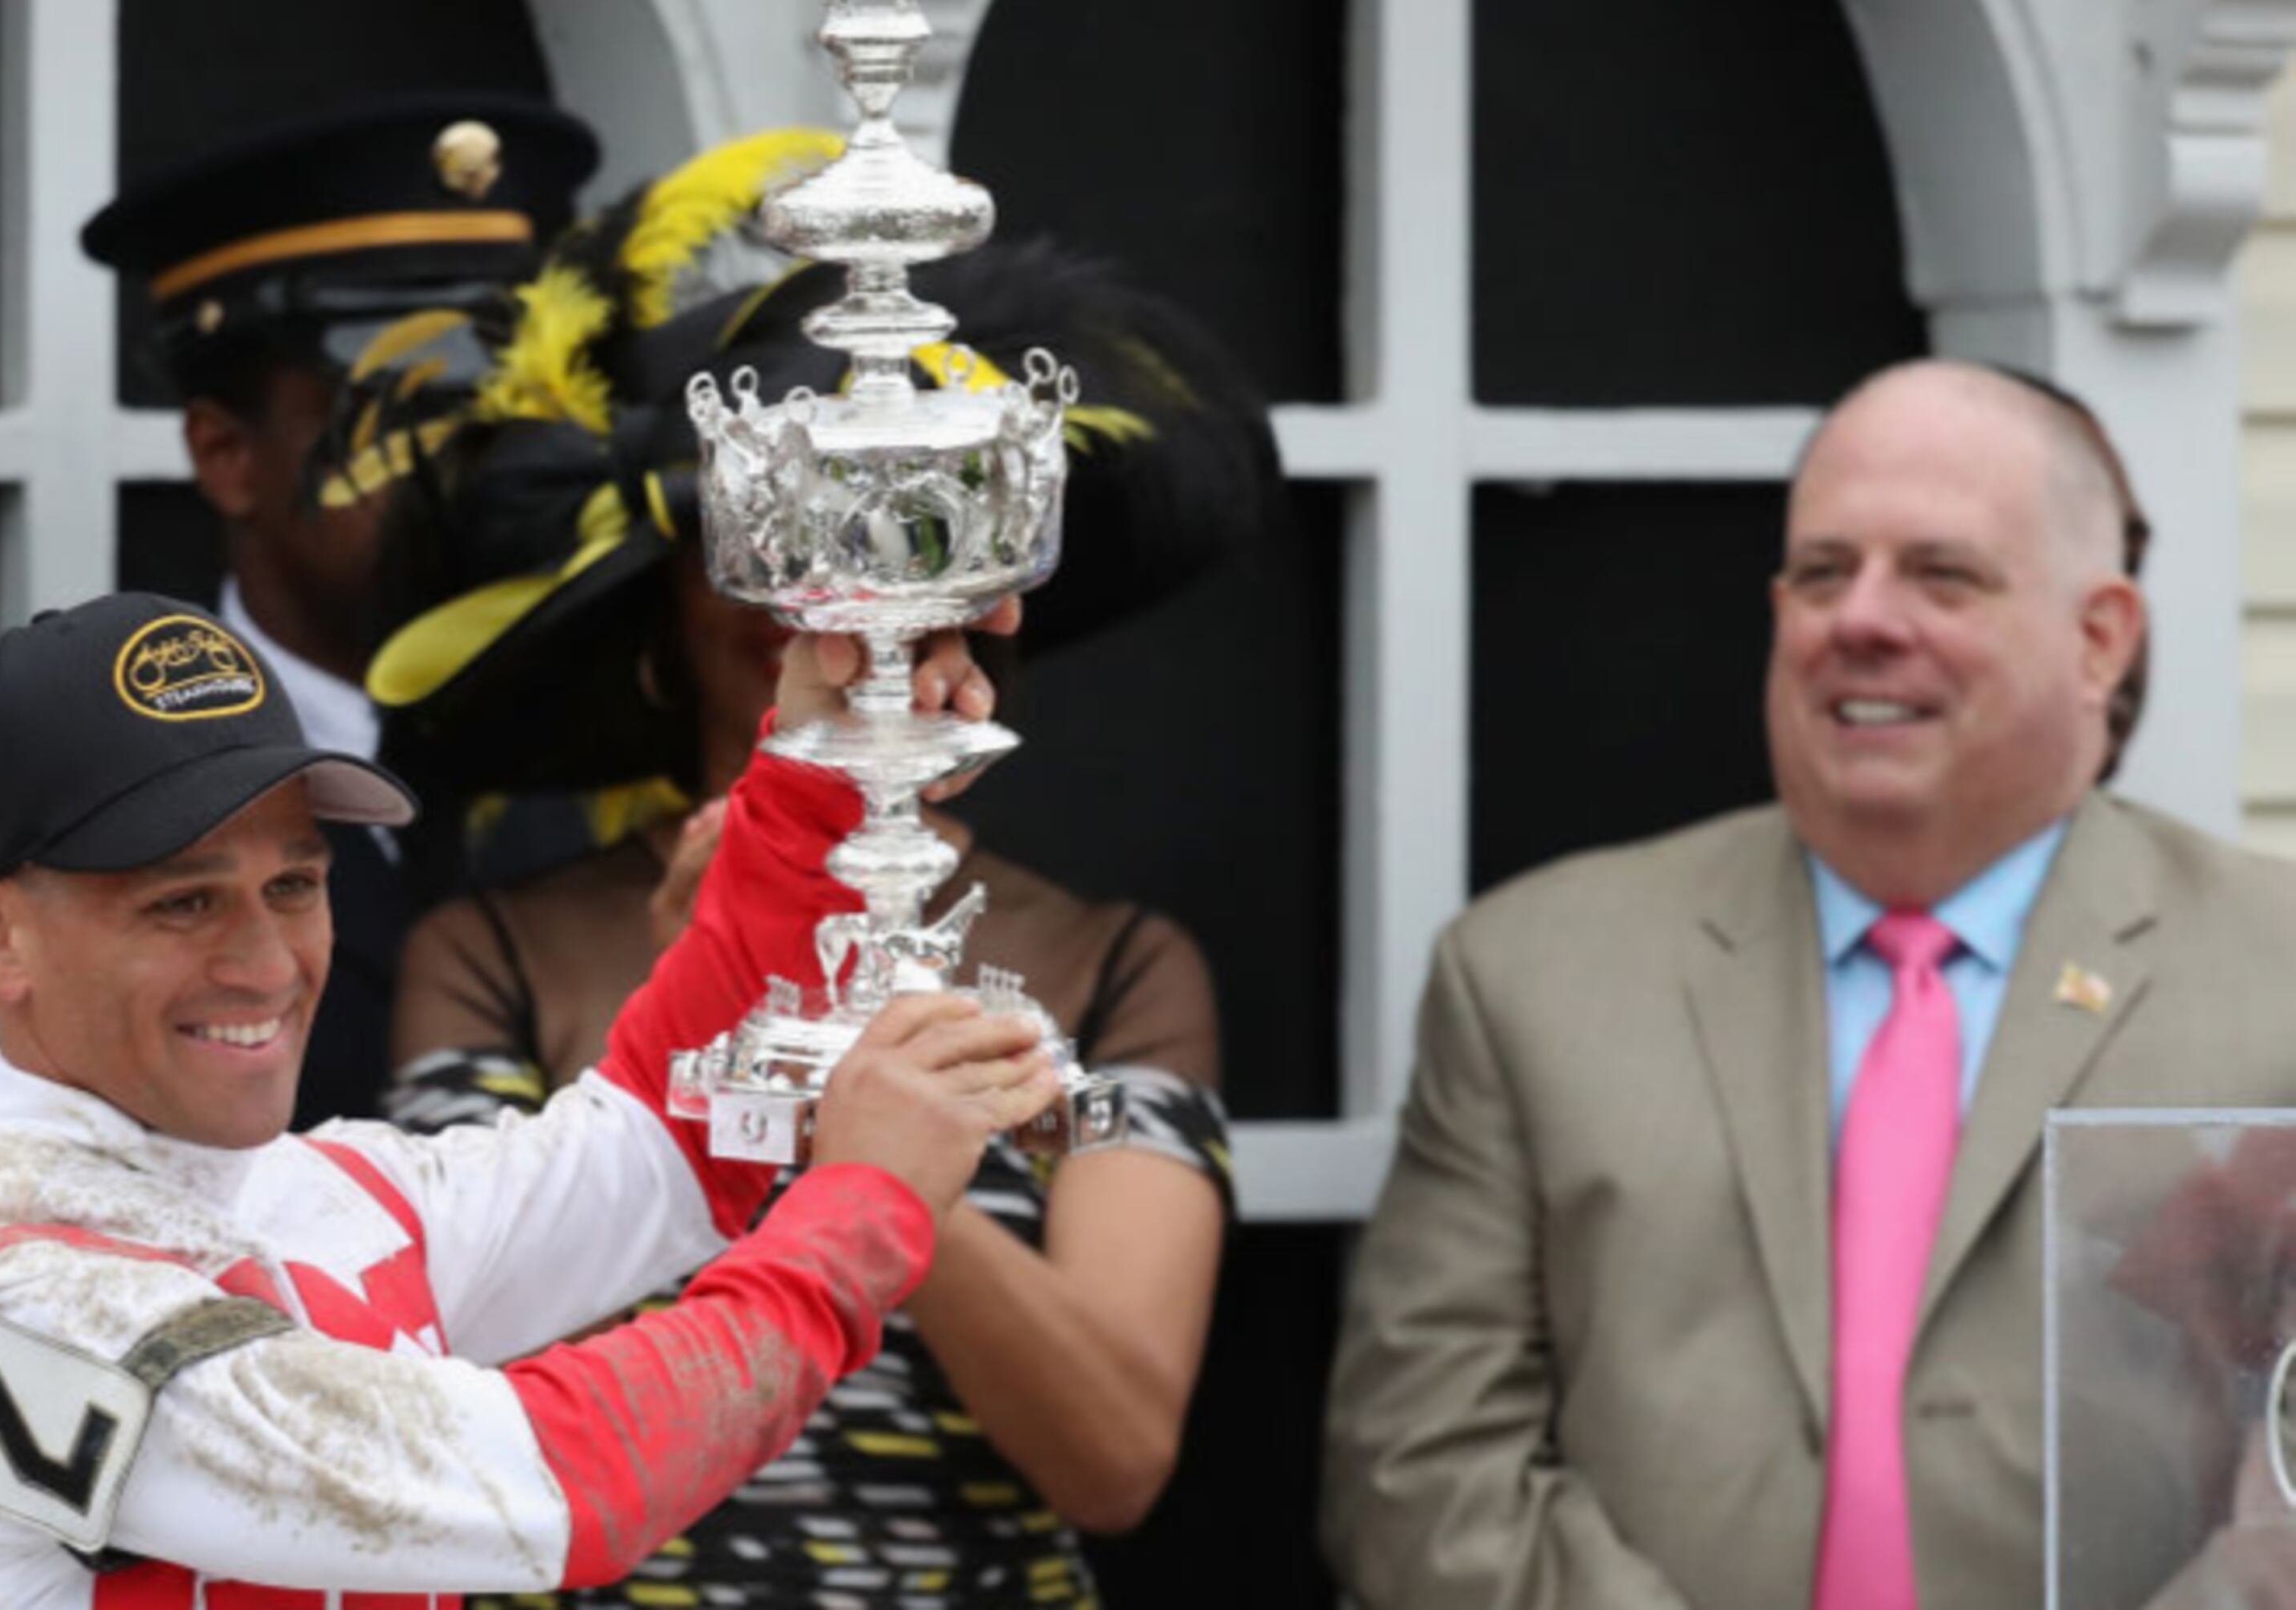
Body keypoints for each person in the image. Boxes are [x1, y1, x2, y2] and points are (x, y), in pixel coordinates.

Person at [368, 139, 1268, 1606]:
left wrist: (880, 1139)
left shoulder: (1114, 965)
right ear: (663, 598)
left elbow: (1113, 1460)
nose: (835, 604)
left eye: (907, 539)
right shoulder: (496, 954)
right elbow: (444, 1382)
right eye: (773, 555)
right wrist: (702, 1027)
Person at [0, 590, 1063, 1604]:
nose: (268, 964)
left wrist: (820, 770)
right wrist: (864, 1210)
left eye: (294, 884)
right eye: (182, 902)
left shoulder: (331, 1194)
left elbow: (670, 1141)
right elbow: (563, 1486)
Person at [1323, 358, 2296, 1610]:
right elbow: (1418, 1469)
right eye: (1824, 572)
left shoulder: (2277, 976)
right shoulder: (1532, 977)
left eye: (1943, 574)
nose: (1863, 620)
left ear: (2099, 638)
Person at [80, 94, 601, 1130]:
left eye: (506, 411)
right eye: (401, 418)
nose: (469, 470)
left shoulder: (628, 742)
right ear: (228, 457)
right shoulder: (114, 786)